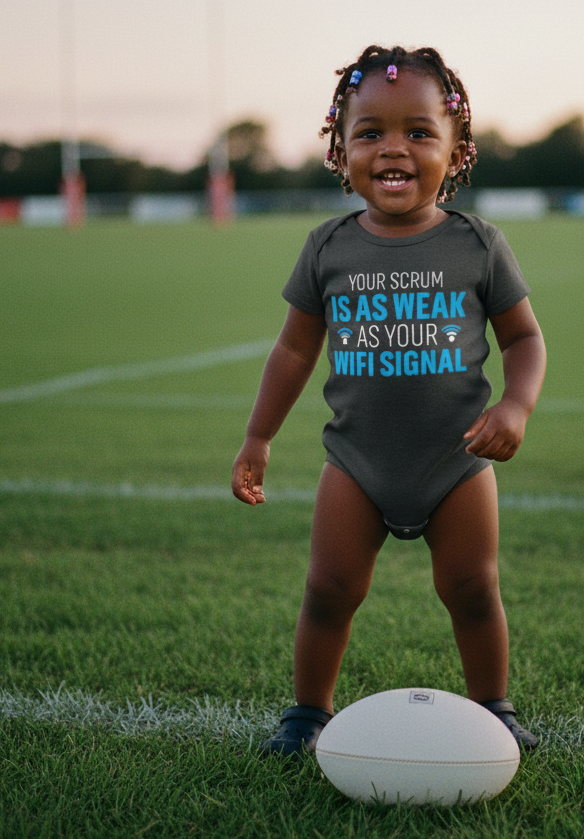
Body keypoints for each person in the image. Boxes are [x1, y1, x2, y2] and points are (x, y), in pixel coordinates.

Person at [231, 45, 546, 757]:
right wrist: (258, 436)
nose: (393, 148)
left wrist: (516, 406)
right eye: (370, 132)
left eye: (419, 132)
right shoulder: (327, 247)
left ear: (456, 152)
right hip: (357, 462)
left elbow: (525, 339)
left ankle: (493, 708)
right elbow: (293, 351)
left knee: (473, 588)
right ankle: (306, 715)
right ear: (340, 151)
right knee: (329, 589)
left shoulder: (478, 244)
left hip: (456, 460)